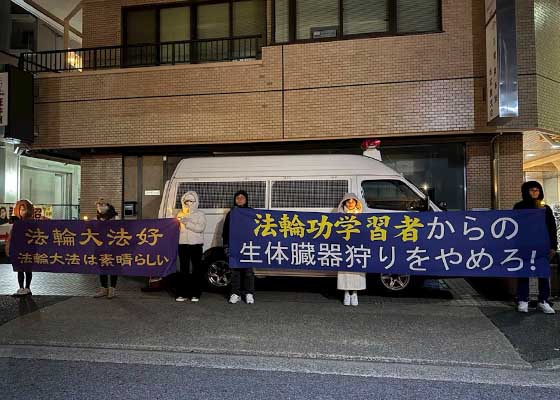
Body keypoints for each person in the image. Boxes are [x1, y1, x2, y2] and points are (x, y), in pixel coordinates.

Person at [514, 181, 556, 314]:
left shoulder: (545, 208)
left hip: (542, 246)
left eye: (537, 190)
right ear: (526, 191)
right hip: (524, 245)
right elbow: (514, 226)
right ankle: (523, 299)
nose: (535, 192)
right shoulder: (519, 207)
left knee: (542, 273)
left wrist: (553, 246)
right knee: (524, 272)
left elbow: (551, 228)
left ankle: (543, 300)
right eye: (532, 190)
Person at [223, 190, 255, 304]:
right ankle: (235, 293)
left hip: (248, 245)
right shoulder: (231, 213)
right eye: (237, 197)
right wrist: (226, 245)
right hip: (234, 245)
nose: (240, 199)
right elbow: (225, 231)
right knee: (235, 271)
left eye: (242, 197)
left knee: (248, 271)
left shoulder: (251, 212)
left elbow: (257, 229)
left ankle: (249, 293)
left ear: (246, 199)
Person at [176, 191, 207, 302]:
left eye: (191, 201)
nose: (188, 203)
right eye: (186, 201)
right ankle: (182, 293)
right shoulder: (180, 214)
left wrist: (187, 223)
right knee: (183, 269)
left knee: (196, 269)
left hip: (196, 245)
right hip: (183, 244)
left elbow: (200, 228)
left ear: (195, 202)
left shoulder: (200, 214)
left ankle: (196, 293)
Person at [337, 193, 366, 306]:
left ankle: (355, 293)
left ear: (356, 202)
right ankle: (346, 293)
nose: (350, 203)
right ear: (344, 203)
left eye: (352, 201)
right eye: (348, 201)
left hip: (357, 246)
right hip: (344, 246)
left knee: (357, 269)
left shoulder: (362, 214)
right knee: (345, 269)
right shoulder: (339, 215)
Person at [6, 200, 34, 296]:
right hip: (19, 249)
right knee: (20, 269)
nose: (23, 212)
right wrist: (8, 247)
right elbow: (11, 236)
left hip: (29, 249)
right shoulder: (16, 223)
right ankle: (21, 287)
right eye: (21, 209)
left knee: (28, 269)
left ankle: (28, 288)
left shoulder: (32, 223)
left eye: (24, 209)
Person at [93, 199, 119, 299]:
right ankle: (103, 289)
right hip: (100, 246)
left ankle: (112, 289)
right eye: (98, 205)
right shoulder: (96, 218)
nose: (99, 207)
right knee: (102, 267)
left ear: (107, 206)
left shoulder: (115, 217)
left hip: (113, 246)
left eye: (101, 205)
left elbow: (120, 229)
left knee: (113, 267)